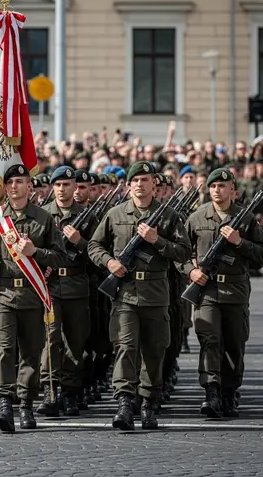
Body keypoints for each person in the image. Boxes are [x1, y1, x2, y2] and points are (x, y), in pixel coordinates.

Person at [88, 161, 191, 431]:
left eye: (145, 180)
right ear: (128, 184)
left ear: (153, 185)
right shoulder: (115, 213)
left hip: (156, 295)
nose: (140, 184)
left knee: (154, 350)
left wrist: (158, 240)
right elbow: (94, 245)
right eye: (135, 180)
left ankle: (148, 401)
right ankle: (124, 402)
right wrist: (109, 263)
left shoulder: (167, 216)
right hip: (124, 294)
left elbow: (183, 252)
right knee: (124, 346)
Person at [0, 164, 66, 432]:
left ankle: (25, 402)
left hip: (33, 295)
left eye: (20, 181)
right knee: (2, 347)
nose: (14, 186)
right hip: (2, 294)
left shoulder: (43, 218)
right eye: (9, 182)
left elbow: (59, 256)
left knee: (30, 352)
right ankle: (4, 403)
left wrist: (36, 252)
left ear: (30, 186)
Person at [182, 167, 263, 418]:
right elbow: (180, 253)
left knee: (234, 343)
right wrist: (191, 271)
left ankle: (229, 391)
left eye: (222, 186)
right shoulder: (196, 218)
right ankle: (211, 392)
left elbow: (260, 256)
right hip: (206, 290)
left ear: (233, 191)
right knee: (210, 340)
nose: (217, 190)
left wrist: (240, 242)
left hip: (236, 290)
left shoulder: (246, 219)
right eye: (213, 186)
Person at [38, 166, 93, 416]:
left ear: (75, 187)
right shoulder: (41, 215)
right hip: (49, 285)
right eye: (58, 185)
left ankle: (71, 392)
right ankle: (50, 391)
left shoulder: (88, 215)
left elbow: (98, 253)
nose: (62, 190)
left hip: (76, 285)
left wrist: (79, 241)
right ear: (52, 187)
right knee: (51, 339)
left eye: (67, 185)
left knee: (75, 341)